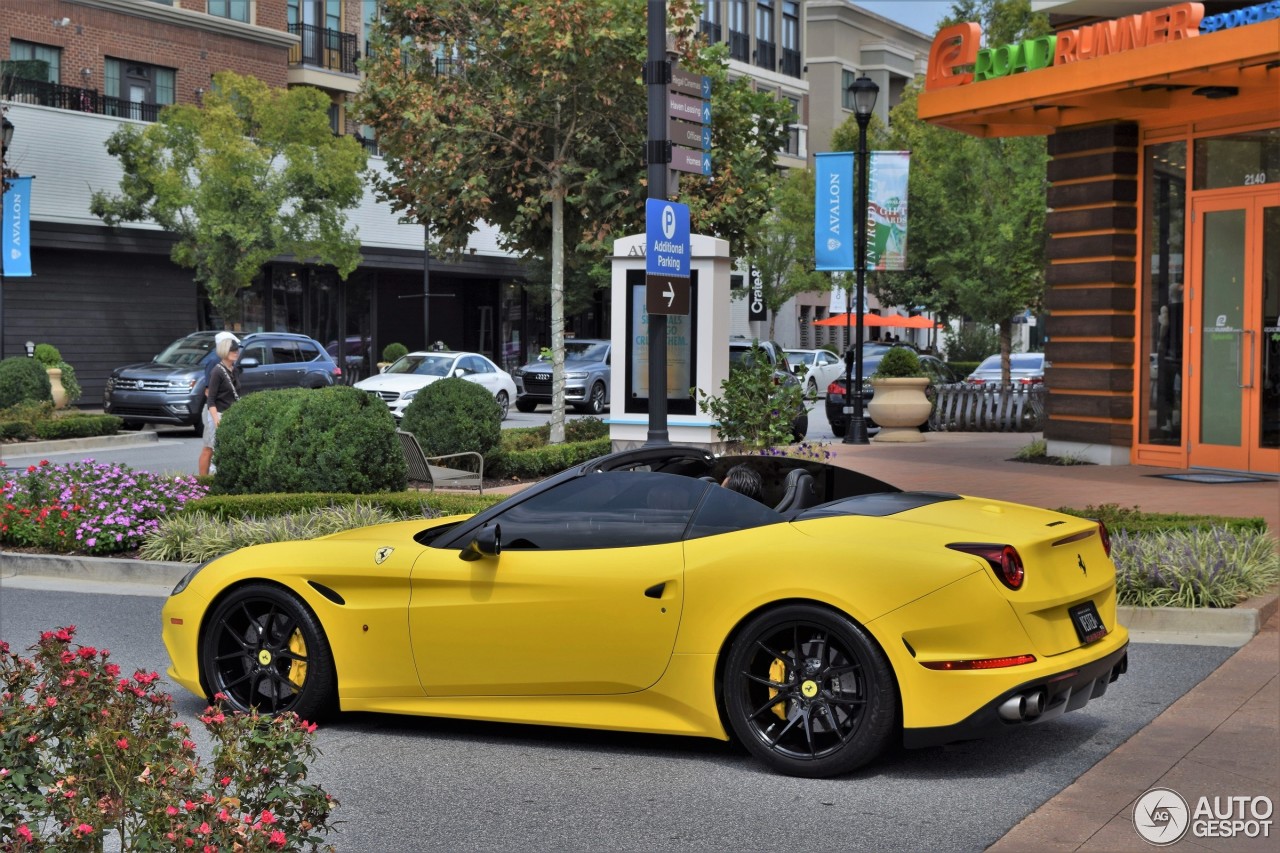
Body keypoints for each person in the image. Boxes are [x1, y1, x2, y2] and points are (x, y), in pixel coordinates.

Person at [198, 335, 241, 476]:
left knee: (228, 450)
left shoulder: (234, 370)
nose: (236, 352)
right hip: (218, 415)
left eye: (237, 350)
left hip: (230, 415)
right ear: (224, 351)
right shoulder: (217, 371)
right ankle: (208, 482)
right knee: (214, 450)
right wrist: (216, 420)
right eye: (232, 350)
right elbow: (211, 399)